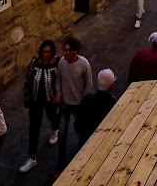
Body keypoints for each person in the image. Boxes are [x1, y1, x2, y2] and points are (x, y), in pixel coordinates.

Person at [19, 40, 60, 174]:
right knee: (34, 126)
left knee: (52, 116)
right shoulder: (35, 61)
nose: (45, 54)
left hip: (51, 99)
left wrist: (60, 94)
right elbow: (28, 78)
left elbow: (63, 79)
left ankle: (55, 128)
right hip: (36, 99)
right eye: (43, 51)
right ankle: (32, 157)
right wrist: (26, 94)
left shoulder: (58, 62)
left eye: (48, 52)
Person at [55, 37, 93, 170]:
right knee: (61, 134)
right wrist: (59, 92)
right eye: (64, 50)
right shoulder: (61, 63)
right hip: (65, 103)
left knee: (83, 131)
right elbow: (58, 80)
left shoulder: (84, 65)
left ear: (76, 52)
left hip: (79, 105)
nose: (64, 53)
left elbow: (88, 86)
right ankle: (61, 162)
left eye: (68, 51)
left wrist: (84, 103)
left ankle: (81, 158)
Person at [75, 69, 116, 149]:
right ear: (111, 85)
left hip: (84, 142)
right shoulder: (112, 105)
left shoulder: (87, 99)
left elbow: (78, 124)